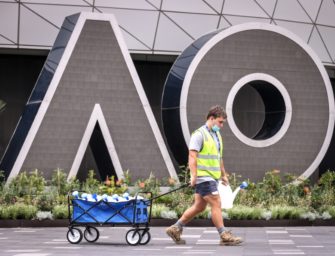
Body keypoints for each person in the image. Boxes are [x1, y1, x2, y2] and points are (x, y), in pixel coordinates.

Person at [166, 105, 242, 246]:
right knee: (216, 202)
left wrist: (223, 175)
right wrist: (194, 176)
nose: (221, 125)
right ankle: (224, 234)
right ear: (211, 118)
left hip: (212, 177)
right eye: (220, 122)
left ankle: (176, 228)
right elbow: (192, 156)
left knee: (199, 207)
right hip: (203, 177)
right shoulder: (199, 134)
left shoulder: (216, 135)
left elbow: (218, 158)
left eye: (223, 123)